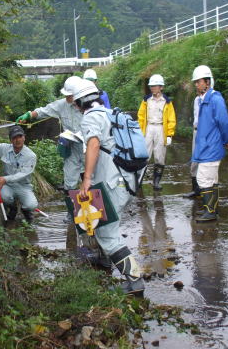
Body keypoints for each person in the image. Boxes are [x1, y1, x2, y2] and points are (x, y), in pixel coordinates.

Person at [74, 78, 144, 295]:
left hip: (113, 182)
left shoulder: (90, 119)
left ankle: (135, 281)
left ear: (78, 103)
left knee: (106, 232)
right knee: (108, 226)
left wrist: (86, 180)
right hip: (127, 179)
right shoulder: (110, 113)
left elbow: (94, 143)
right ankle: (107, 261)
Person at [16, 76, 84, 222]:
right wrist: (29, 115)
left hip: (88, 149)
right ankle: (72, 213)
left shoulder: (88, 105)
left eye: (70, 95)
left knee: (90, 179)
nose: (67, 98)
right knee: (70, 182)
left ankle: (95, 212)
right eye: (65, 95)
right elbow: (44, 111)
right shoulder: (62, 105)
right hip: (72, 148)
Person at [191, 65, 228, 222]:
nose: (196, 85)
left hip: (211, 147)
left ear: (208, 82)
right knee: (212, 180)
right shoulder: (204, 100)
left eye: (199, 81)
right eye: (195, 82)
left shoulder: (215, 99)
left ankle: (210, 212)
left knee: (203, 179)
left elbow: (225, 123)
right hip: (206, 146)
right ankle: (212, 209)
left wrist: (226, 139)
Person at [0, 125, 38, 222]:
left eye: (20, 136)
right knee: (4, 196)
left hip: (24, 186)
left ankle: (25, 210)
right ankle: (12, 208)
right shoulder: (5, 148)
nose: (17, 140)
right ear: (10, 140)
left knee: (31, 205)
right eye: (14, 137)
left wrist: (5, 179)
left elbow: (23, 174)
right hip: (8, 185)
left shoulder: (31, 155)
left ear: (24, 137)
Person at [137, 74, 176, 190]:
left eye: (155, 86)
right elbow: (141, 117)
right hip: (148, 127)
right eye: (151, 86)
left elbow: (171, 119)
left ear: (161, 87)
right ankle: (138, 181)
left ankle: (156, 182)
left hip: (161, 128)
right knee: (144, 156)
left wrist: (169, 134)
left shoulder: (167, 102)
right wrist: (139, 131)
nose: (152, 88)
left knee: (159, 156)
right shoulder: (146, 100)